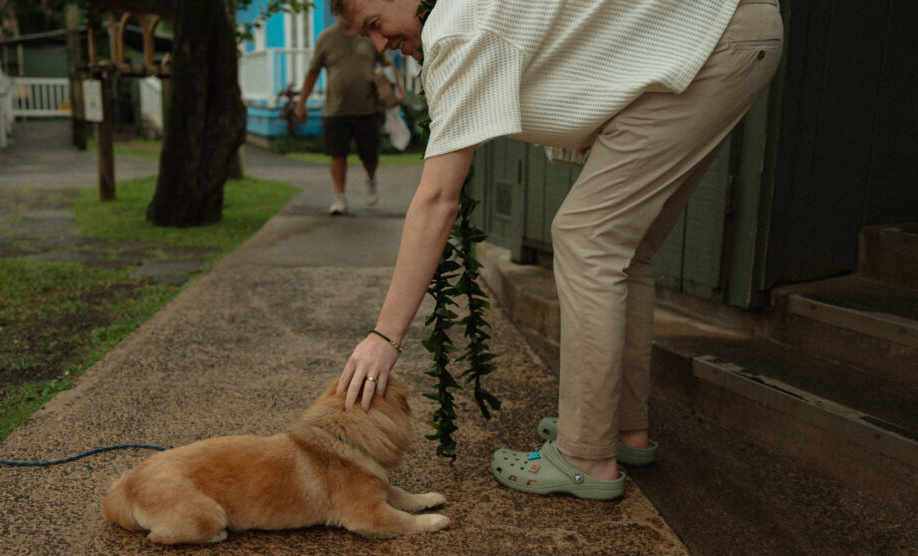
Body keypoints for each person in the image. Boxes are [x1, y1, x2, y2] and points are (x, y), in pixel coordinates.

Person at [333, 0, 783, 500]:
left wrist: (385, 337)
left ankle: (586, 456)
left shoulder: (458, 27)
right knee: (622, 248)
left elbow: (438, 199)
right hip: (727, 30)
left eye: (375, 25)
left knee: (587, 237)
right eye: (365, 36)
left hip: (715, 39)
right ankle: (621, 431)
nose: (379, 45)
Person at [295, 19, 402, 215]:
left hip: (367, 109)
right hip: (336, 110)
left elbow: (386, 64)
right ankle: (339, 197)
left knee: (370, 155)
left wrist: (397, 90)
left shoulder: (368, 36)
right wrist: (302, 102)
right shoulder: (326, 38)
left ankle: (370, 180)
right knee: (337, 154)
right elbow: (313, 72)